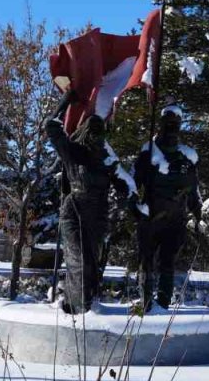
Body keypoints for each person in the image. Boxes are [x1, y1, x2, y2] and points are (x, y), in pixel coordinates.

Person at [44, 94, 139, 314]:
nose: (95, 137)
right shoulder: (74, 152)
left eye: (100, 134)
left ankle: (80, 305)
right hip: (74, 210)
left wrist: (132, 203)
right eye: (92, 132)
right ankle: (79, 310)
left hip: (97, 214)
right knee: (79, 261)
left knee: (91, 265)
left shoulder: (107, 160)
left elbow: (125, 183)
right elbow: (51, 127)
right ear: (86, 132)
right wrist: (67, 101)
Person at [134, 106, 201, 310]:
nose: (171, 128)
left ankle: (162, 304)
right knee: (146, 262)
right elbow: (134, 183)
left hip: (176, 219)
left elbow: (193, 189)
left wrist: (197, 214)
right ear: (162, 124)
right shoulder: (148, 153)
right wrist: (136, 207)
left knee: (168, 263)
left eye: (175, 124)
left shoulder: (187, 157)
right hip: (152, 217)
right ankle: (145, 303)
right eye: (168, 123)